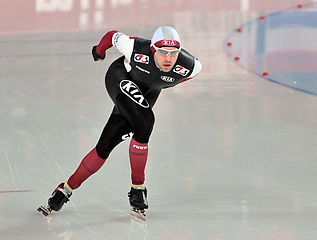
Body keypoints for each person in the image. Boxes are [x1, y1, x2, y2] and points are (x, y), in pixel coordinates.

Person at [38, 26, 202, 217]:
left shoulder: (192, 67)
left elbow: (169, 80)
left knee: (106, 144)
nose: (168, 58)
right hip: (120, 77)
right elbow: (111, 36)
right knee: (145, 120)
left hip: (147, 92)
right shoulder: (135, 47)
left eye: (173, 53)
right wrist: (99, 51)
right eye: (163, 52)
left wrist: (157, 84)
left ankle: (65, 189)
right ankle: (138, 189)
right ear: (152, 49)